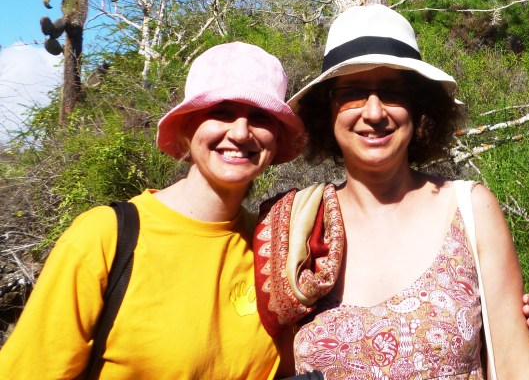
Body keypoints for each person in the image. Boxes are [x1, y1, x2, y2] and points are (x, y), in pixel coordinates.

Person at [262, 5, 529, 380]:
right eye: (353, 93)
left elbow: (514, 365)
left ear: (419, 106)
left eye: (392, 92)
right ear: (326, 109)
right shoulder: (294, 228)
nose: (374, 112)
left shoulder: (470, 208)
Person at [0, 42, 308, 379]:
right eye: (220, 112)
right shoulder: (105, 239)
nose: (239, 132)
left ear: (276, 139)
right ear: (188, 128)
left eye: (260, 117)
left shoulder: (275, 247)